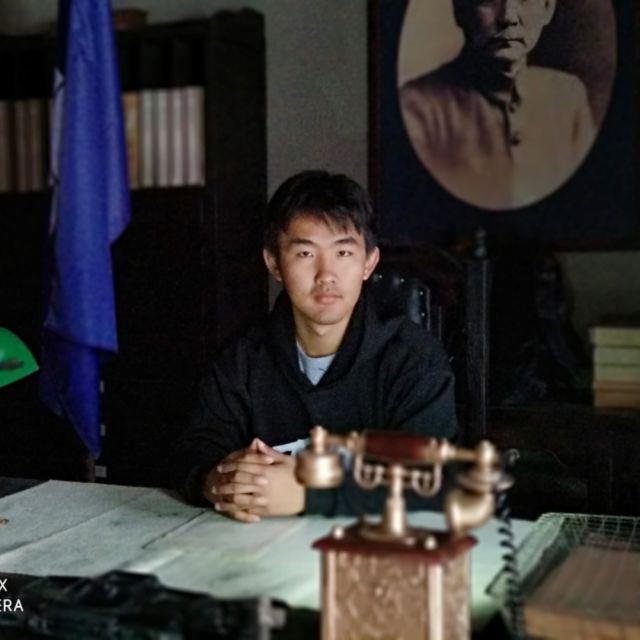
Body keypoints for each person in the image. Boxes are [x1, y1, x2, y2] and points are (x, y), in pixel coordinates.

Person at [174, 170, 457, 522]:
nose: (326, 275)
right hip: (261, 546)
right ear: (274, 263)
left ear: (369, 262)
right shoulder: (243, 357)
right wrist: (217, 480)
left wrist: (309, 493)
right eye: (306, 253)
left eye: (343, 252)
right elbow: (196, 448)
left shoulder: (413, 358)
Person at [399, 0, 596, 210]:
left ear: (548, 8)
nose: (508, 17)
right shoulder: (418, 107)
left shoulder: (567, 96)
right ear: (460, 10)